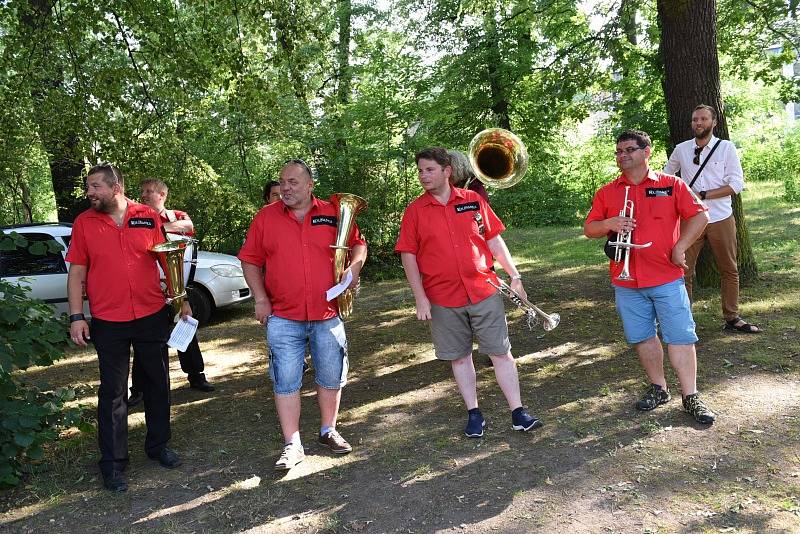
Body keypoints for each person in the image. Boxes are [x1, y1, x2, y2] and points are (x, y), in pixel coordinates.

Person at [395, 147, 542, 438]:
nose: (424, 175)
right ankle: (474, 413)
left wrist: (515, 275)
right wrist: (420, 297)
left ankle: (518, 412)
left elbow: (495, 240)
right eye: (421, 171)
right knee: (460, 357)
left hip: (483, 289)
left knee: (501, 353)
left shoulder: (473, 200)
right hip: (442, 297)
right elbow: (408, 256)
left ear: (447, 171)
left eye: (430, 170)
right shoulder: (414, 211)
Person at [239, 159, 367, 470]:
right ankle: (292, 444)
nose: (285, 187)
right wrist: (260, 299)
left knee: (331, 376)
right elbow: (250, 260)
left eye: (293, 182)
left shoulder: (334, 212)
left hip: (327, 313)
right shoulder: (265, 217)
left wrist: (353, 268)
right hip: (283, 315)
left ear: (310, 185)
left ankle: (328, 430)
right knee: (285, 381)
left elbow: (358, 246)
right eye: (282, 182)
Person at [584, 129, 716, 425]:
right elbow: (590, 228)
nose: (622, 155)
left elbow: (700, 216)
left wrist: (681, 246)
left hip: (666, 277)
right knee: (642, 336)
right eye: (618, 151)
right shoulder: (607, 192)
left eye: (629, 149)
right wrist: (609, 222)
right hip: (626, 281)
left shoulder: (671, 185)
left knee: (680, 336)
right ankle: (659, 387)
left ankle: (691, 396)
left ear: (647, 151)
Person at [66, 163, 184, 492]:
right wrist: (77, 317)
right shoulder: (84, 222)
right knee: (113, 393)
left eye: (95, 187)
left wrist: (180, 299)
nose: (89, 193)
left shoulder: (147, 215)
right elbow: (76, 273)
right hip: (108, 320)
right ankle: (113, 462)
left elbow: (167, 258)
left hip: (151, 315)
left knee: (158, 384)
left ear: (116, 187)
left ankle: (158, 446)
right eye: (88, 187)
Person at [663, 105, 759, 333]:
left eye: (703, 119)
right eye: (695, 119)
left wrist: (703, 195)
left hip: (720, 216)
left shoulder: (726, 148)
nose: (698, 123)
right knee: (682, 270)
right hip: (690, 218)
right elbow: (666, 178)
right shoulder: (681, 149)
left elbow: (736, 185)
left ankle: (732, 317)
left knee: (729, 269)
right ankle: (681, 320)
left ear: (714, 122)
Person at [127, 179, 214, 408]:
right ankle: (138, 389)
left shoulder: (175, 215)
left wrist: (158, 228)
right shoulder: (134, 217)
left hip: (177, 287)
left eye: (149, 191)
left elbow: (188, 225)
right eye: (142, 191)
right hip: (150, 290)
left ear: (162, 194)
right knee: (147, 340)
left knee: (186, 331)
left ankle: (196, 376)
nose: (144, 195)